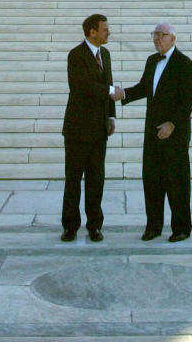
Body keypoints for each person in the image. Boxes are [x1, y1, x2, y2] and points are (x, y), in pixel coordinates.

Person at [122, 21, 192, 242]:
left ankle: (181, 228)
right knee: (152, 180)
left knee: (177, 181)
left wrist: (172, 124)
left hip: (175, 134)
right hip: (152, 132)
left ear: (172, 38)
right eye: (154, 35)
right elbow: (144, 88)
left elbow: (188, 100)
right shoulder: (152, 61)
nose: (156, 39)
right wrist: (121, 94)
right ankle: (153, 226)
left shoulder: (185, 64)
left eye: (161, 35)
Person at [61, 13, 124, 242]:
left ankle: (94, 225)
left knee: (97, 179)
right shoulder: (76, 55)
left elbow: (108, 80)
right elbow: (82, 86)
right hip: (78, 129)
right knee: (73, 179)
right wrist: (109, 91)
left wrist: (111, 116)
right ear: (92, 32)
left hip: (99, 128)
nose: (108, 33)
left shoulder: (105, 54)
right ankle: (70, 226)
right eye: (105, 29)